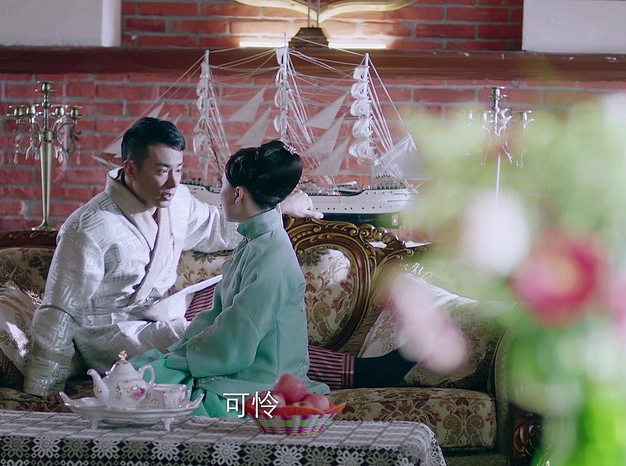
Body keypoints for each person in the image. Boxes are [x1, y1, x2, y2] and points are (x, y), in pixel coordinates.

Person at [23, 117, 413, 397]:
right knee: (222, 333)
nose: (174, 183)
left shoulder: (175, 200)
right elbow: (59, 313)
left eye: (179, 170)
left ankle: (318, 368)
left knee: (236, 297)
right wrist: (41, 390)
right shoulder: (88, 228)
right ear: (129, 168)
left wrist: (276, 203)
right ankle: (355, 372)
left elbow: (217, 224)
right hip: (112, 331)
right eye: (162, 171)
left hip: (160, 310)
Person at [131, 140, 328, 416]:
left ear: (237, 194)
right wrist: (178, 353)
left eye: (221, 185)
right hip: (237, 369)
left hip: (266, 389)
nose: (220, 193)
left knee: (174, 401)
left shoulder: (272, 256)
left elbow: (237, 340)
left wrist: (182, 360)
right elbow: (217, 316)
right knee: (140, 377)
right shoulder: (254, 242)